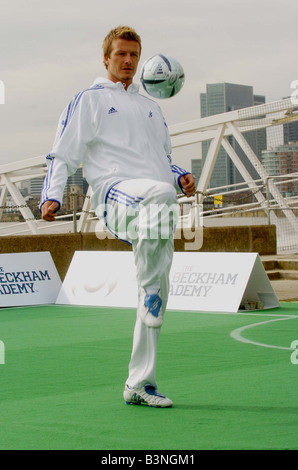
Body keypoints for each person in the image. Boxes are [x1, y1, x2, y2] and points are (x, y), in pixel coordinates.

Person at [40, 26, 195, 408]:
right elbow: (63, 153)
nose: (128, 61)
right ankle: (151, 290)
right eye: (121, 54)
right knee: (153, 277)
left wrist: (180, 177)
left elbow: (161, 160)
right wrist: (52, 196)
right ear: (106, 58)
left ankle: (140, 384)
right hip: (116, 196)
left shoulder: (150, 107)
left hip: (156, 205)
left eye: (134, 55)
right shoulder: (88, 100)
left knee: (157, 287)